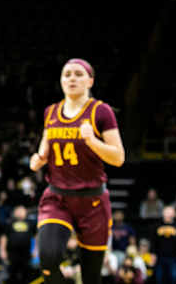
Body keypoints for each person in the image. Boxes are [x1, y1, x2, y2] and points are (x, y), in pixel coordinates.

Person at [30, 58, 126, 284]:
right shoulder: (51, 112)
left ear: (90, 80)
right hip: (57, 197)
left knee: (92, 276)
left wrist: (92, 141)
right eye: (67, 74)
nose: (72, 78)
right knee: (48, 259)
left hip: (92, 201)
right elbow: (43, 150)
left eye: (78, 74)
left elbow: (119, 158)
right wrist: (38, 160)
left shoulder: (101, 112)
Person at [154, 205, 176, 284]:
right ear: (163, 213)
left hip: (173, 256)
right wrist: (153, 254)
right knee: (159, 277)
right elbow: (154, 241)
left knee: (173, 276)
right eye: (167, 213)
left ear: (173, 215)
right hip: (160, 256)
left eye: (170, 213)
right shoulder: (157, 225)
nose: (168, 215)